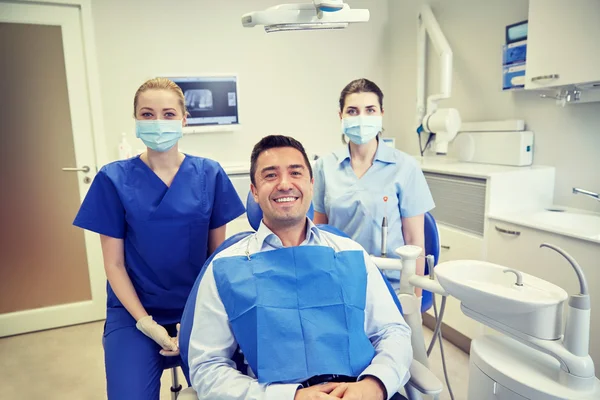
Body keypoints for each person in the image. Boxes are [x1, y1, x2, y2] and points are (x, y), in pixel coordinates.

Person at [181, 135, 413, 400]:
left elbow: (391, 331)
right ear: (254, 192)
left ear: (311, 185)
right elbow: (207, 366)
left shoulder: (350, 253)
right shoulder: (225, 268)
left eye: (295, 173)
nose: (284, 184)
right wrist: (291, 396)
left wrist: (374, 384)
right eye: (270, 175)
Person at [73, 77, 246, 399]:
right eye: (148, 114)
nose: (158, 122)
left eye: (168, 114)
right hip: (134, 311)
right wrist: (146, 323)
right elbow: (114, 265)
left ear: (183, 120)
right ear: (137, 120)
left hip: (198, 305)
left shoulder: (209, 174)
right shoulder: (113, 179)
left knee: (228, 390)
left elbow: (215, 259)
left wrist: (198, 316)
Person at [312, 78, 435, 297]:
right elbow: (321, 231)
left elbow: (415, 240)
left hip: (392, 282)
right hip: (340, 279)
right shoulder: (324, 167)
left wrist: (414, 297)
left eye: (370, 110)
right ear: (340, 116)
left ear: (381, 113)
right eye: (352, 111)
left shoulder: (405, 167)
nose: (361, 118)